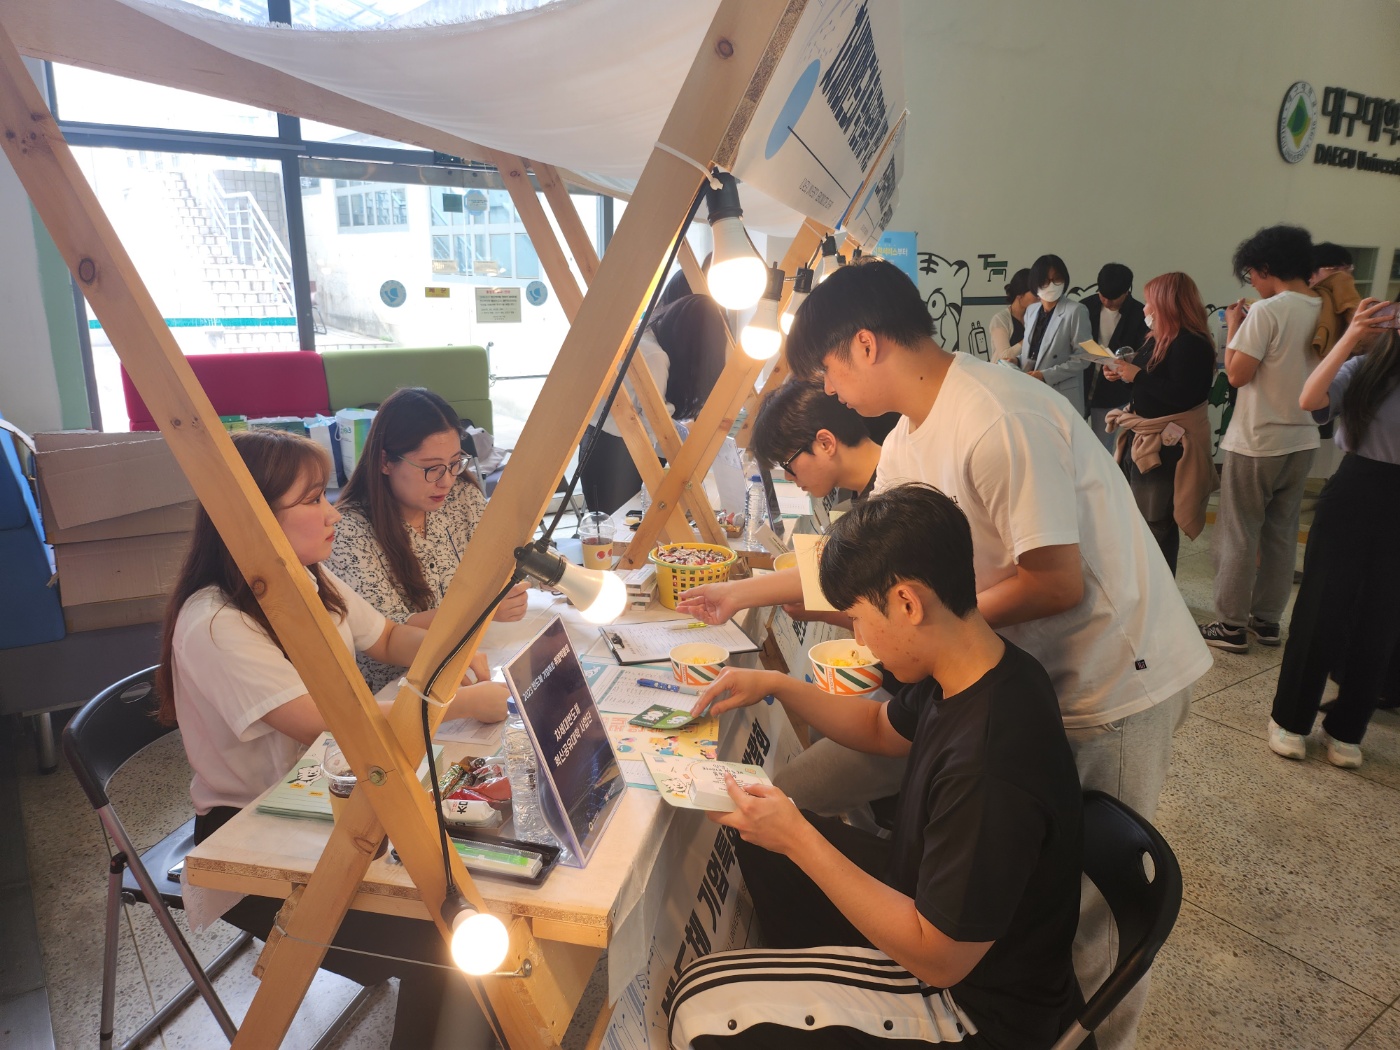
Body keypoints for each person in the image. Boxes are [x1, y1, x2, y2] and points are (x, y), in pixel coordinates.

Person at [783, 258, 1209, 1050]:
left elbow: (1054, 580)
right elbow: (880, 571)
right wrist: (760, 595)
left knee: (1088, 912)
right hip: (1021, 674)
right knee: (1028, 884)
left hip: (1111, 679)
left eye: (827, 371)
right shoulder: (908, 439)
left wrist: (932, 624)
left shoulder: (994, 415)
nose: (829, 391)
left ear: (866, 344)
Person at [669, 485, 1084, 1050]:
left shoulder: (990, 762)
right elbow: (878, 727)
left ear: (908, 603)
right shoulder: (978, 669)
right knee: (765, 842)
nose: (860, 640)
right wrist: (774, 684)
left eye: (859, 620)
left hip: (970, 1009)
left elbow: (939, 960)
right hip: (923, 902)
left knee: (696, 1005)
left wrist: (799, 838)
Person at [157, 429, 508, 1048]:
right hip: (258, 836)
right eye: (312, 499)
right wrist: (455, 702)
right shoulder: (214, 622)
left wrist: (452, 652)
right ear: (251, 520)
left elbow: (389, 638)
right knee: (447, 943)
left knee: (478, 886)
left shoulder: (304, 576)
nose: (332, 513)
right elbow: (329, 722)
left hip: (334, 799)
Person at [682, 379, 906, 817]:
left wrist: (739, 596)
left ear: (825, 443)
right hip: (902, 699)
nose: (790, 478)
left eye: (789, 464)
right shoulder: (871, 490)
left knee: (789, 793)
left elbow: (843, 585)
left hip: (912, 709)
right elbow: (824, 570)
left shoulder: (894, 502)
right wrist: (735, 594)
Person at [1268, 298, 1400, 768]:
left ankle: (1346, 728)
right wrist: (1351, 336)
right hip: (1356, 488)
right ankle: (1289, 719)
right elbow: (1310, 400)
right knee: (1323, 606)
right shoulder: (1368, 367)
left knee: (1382, 619)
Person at [329, 387, 529, 696]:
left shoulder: (461, 497)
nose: (446, 480)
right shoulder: (347, 532)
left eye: (455, 463)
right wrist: (484, 607)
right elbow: (386, 634)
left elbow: (506, 553)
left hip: (466, 660)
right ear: (385, 461)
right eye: (431, 468)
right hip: (397, 689)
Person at [1199, 225, 1322, 653]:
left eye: (1251, 272)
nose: (1250, 281)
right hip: (1303, 437)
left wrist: (1235, 326)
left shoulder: (1268, 311)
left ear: (1267, 267)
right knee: (1281, 533)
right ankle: (1267, 621)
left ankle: (1230, 625)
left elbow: (1237, 375)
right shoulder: (1323, 307)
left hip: (1257, 439)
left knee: (1239, 531)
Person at [1101, 272, 1217, 573]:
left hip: (1166, 444)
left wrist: (1137, 376)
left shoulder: (1192, 344)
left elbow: (1182, 395)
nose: (1145, 309)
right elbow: (1149, 384)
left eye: (1150, 302)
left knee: (1156, 523)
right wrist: (1122, 374)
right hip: (1142, 434)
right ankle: (1139, 583)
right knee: (1136, 519)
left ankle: (1158, 590)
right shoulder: (1158, 338)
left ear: (1167, 304)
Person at [580, 293, 728, 514]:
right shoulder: (654, 356)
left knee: (604, 521)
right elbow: (654, 422)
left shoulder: (643, 337)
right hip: (618, 455)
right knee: (622, 523)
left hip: (595, 442)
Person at [1083, 263, 1149, 451]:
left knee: (1102, 446)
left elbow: (1143, 355)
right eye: (1102, 295)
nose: (1106, 301)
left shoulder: (1139, 315)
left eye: (1112, 298)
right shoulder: (1085, 307)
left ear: (1126, 291)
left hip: (1113, 390)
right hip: (1083, 383)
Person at [1020, 254, 1093, 415]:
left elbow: (1084, 357)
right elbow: (1035, 351)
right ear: (1035, 283)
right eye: (1045, 281)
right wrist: (1017, 360)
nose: (1051, 285)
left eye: (1057, 279)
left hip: (1061, 393)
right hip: (1032, 391)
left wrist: (1046, 375)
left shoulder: (1076, 310)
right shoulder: (1031, 311)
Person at [1309, 242, 1361, 358]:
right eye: (1333, 269)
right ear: (1311, 275)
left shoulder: (1351, 302)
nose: (1343, 276)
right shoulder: (1305, 304)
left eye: (1347, 269)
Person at [987, 267, 1036, 363]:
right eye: (1034, 292)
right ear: (1020, 294)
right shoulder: (1000, 319)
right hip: (1002, 372)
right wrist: (1030, 339)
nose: (1039, 296)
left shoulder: (1035, 317)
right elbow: (1004, 356)